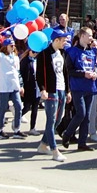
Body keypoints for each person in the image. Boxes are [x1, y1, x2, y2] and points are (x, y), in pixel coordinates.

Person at [61, 27, 97, 151]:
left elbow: (95, 66)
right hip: (77, 87)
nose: (91, 38)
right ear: (82, 36)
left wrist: (96, 73)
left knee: (87, 116)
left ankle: (82, 142)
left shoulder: (92, 51)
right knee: (81, 113)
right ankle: (67, 134)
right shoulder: (72, 51)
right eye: (89, 35)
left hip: (90, 86)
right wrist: (83, 74)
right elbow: (69, 70)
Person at [36, 28, 71, 162]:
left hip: (61, 89)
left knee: (58, 119)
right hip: (51, 90)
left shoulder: (61, 53)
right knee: (51, 120)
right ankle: (54, 150)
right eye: (63, 40)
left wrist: (68, 90)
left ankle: (43, 144)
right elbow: (39, 74)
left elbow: (64, 72)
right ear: (56, 40)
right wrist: (42, 89)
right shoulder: (44, 54)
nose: (65, 42)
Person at [0, 38, 25, 139]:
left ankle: (17, 129)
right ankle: (0, 130)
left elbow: (18, 72)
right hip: (4, 86)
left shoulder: (16, 57)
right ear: (6, 46)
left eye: (14, 45)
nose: (13, 47)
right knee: (3, 108)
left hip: (14, 85)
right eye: (11, 46)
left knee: (18, 106)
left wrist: (21, 86)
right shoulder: (1, 56)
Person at [19, 41, 40, 135]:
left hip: (37, 88)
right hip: (28, 87)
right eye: (33, 51)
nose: (35, 53)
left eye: (36, 52)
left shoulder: (37, 61)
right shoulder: (25, 61)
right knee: (27, 107)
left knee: (35, 109)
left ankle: (32, 128)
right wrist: (21, 86)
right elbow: (21, 74)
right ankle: (17, 118)